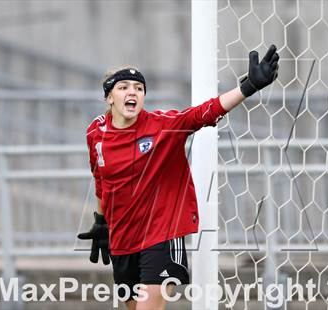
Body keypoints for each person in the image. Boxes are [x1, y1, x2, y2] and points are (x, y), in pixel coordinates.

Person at [78, 45, 279, 310]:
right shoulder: (96, 133)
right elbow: (101, 180)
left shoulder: (163, 126)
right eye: (123, 87)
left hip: (162, 234)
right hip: (122, 240)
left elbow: (203, 113)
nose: (132, 92)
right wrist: (101, 221)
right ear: (109, 98)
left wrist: (249, 86)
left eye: (138, 88)